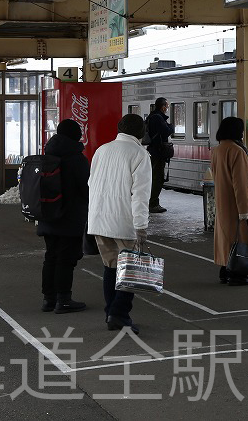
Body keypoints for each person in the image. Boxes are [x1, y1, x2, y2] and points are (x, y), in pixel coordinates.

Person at [87, 114, 152, 334]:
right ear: (141, 132)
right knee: (131, 270)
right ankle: (119, 314)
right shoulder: (140, 154)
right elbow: (140, 195)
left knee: (111, 267)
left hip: (98, 219)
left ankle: (111, 313)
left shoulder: (102, 150)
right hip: (125, 222)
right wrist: (141, 226)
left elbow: (91, 183)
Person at [38, 119, 90, 314]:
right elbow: (86, 188)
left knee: (50, 256)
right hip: (70, 218)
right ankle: (64, 299)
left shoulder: (48, 154)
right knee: (66, 258)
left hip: (48, 215)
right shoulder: (76, 158)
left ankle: (48, 299)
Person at [211, 116, 248, 285]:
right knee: (242, 238)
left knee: (226, 238)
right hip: (237, 204)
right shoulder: (237, 151)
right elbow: (241, 184)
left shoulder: (217, 150)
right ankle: (238, 273)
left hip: (222, 201)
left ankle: (224, 269)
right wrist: (244, 210)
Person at [145, 98, 172, 214]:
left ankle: (151, 202)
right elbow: (166, 131)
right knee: (157, 178)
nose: (167, 108)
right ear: (163, 107)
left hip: (154, 150)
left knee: (154, 177)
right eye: (167, 106)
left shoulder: (152, 116)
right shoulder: (158, 118)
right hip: (158, 151)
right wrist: (171, 126)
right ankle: (153, 204)